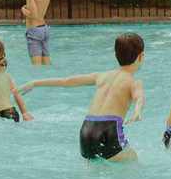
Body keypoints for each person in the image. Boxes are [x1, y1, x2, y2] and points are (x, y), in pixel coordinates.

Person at [21, 32, 147, 161]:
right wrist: (137, 111)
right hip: (108, 130)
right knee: (134, 161)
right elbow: (139, 97)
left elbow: (67, 81)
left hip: (86, 131)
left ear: (115, 55)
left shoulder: (101, 76)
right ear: (141, 56)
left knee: (94, 168)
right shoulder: (134, 81)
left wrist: (35, 83)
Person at [20, 0, 53, 65]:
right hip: (44, 29)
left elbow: (34, 15)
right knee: (47, 64)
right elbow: (39, 10)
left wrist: (23, 10)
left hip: (34, 30)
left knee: (36, 67)